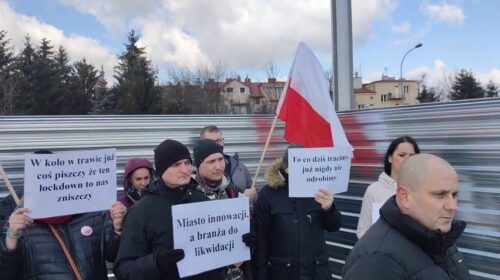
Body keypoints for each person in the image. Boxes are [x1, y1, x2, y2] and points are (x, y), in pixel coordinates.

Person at [0, 149, 126, 280]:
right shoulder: (18, 218)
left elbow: (113, 255)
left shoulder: (91, 210)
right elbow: (5, 273)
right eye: (39, 176)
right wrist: (11, 237)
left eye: (51, 174)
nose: (47, 182)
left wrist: (118, 229)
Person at [342, 154, 470, 279]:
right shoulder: (377, 262)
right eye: (440, 194)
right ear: (405, 197)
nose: (452, 206)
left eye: (454, 195)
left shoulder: (439, 238)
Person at [113, 139, 225, 279]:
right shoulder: (141, 211)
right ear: (161, 169)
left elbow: (216, 255)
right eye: (176, 164)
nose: (185, 170)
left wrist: (238, 244)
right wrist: (156, 264)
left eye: (187, 163)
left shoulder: (202, 202)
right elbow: (123, 269)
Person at [253, 143, 342, 280]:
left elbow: (334, 226)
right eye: (294, 165)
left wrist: (329, 209)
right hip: (281, 273)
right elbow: (261, 240)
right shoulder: (269, 193)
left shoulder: (318, 189)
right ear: (285, 166)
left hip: (316, 272)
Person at [193, 139, 253, 280]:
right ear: (199, 164)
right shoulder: (189, 196)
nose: (219, 166)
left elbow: (250, 227)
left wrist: (248, 245)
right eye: (211, 161)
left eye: (220, 159)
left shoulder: (235, 193)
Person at [356, 135, 420, 239]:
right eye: (402, 155)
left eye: (412, 156)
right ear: (390, 158)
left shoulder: (421, 190)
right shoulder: (374, 190)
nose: (407, 160)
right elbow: (362, 230)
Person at [200, 125, 256, 200]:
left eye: (219, 140)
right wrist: (242, 199)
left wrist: (251, 196)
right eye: (211, 142)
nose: (216, 145)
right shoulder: (195, 174)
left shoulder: (239, 167)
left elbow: (251, 192)